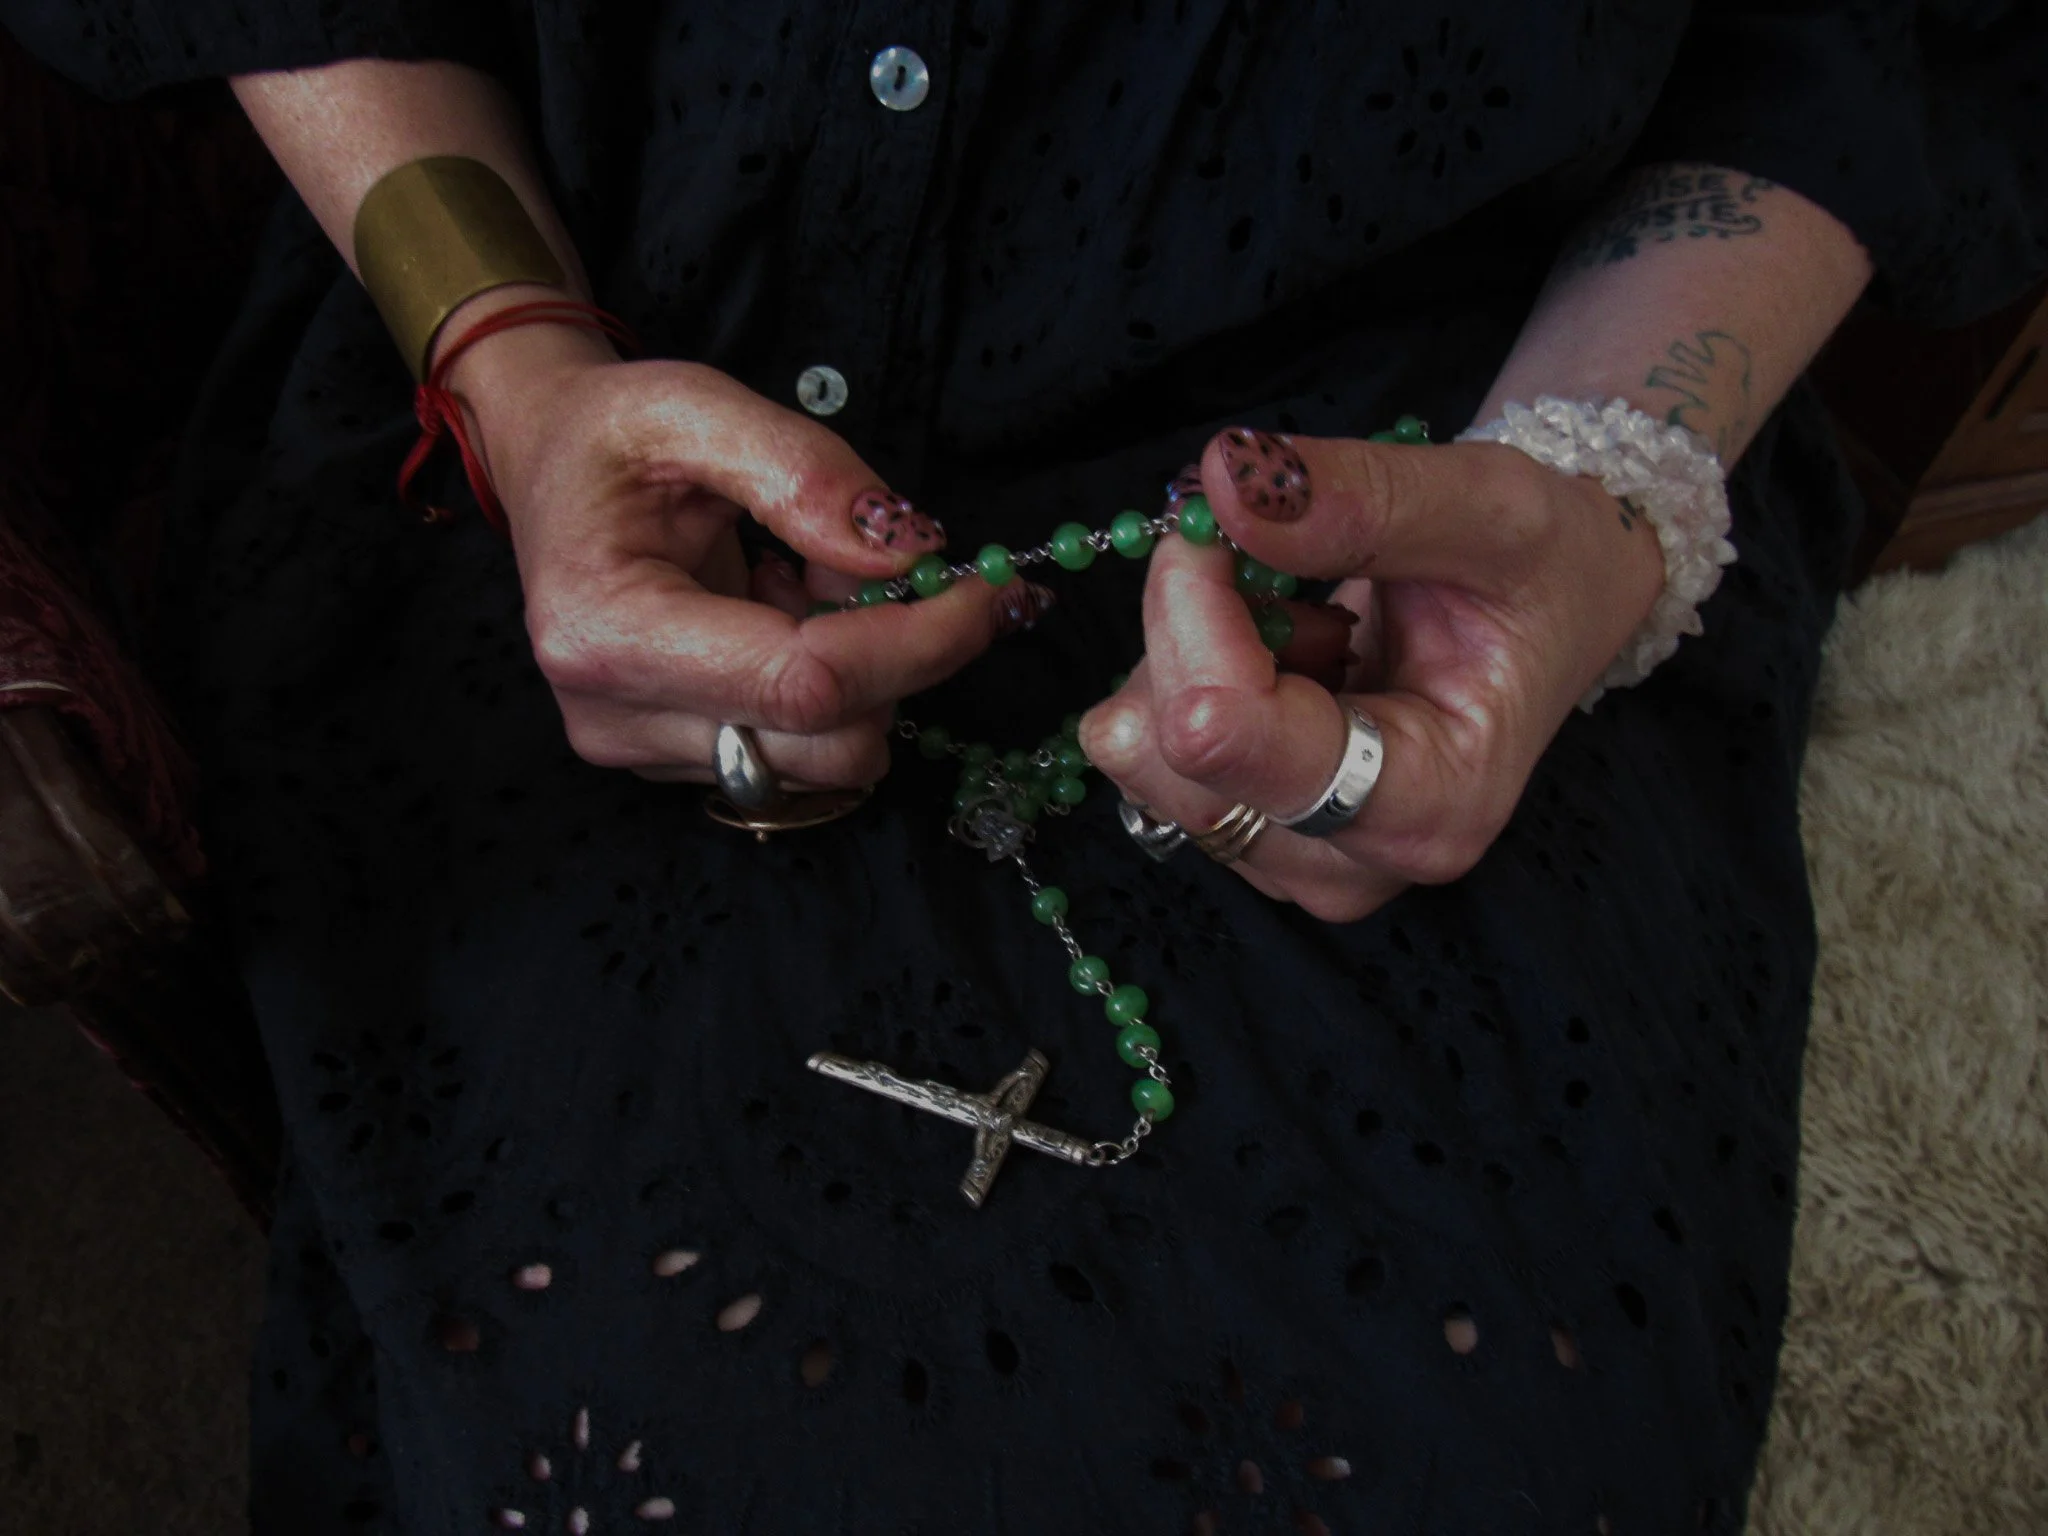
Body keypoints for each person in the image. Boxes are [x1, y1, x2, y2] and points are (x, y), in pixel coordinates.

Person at [4, 1, 2041, 1530]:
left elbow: (1871, 38)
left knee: (1486, 1435)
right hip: (571, 345)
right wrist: (517, 361)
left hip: (1447, 467)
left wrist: (1595, 494)